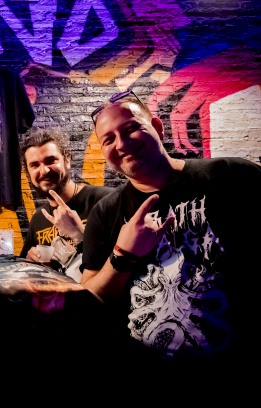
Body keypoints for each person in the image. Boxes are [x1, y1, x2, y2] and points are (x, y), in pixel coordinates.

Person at [82, 89, 261, 402]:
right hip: (149, 381)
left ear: (157, 127)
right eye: (108, 139)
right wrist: (123, 255)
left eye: (131, 128)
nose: (121, 144)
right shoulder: (105, 212)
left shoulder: (232, 176)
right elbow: (91, 298)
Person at [19, 129, 113, 282]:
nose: (44, 170)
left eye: (51, 161)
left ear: (67, 160)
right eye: (35, 165)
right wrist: (30, 263)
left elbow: (124, 262)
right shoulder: (38, 219)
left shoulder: (105, 200)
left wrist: (79, 234)